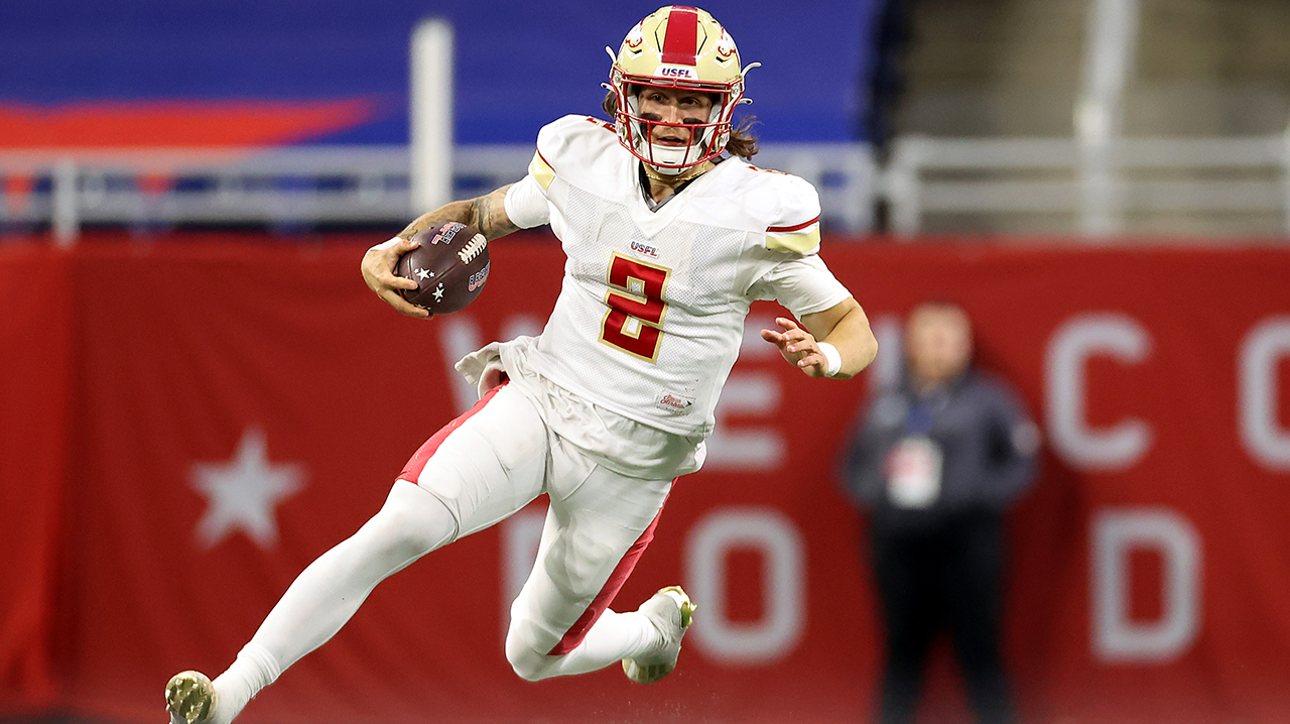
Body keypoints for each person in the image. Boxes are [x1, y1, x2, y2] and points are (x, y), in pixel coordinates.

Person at [164, 7, 879, 724]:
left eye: (689, 100)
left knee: (531, 656)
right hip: (545, 400)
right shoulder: (584, 161)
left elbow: (852, 327)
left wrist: (829, 357)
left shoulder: (757, 209)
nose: (668, 115)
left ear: (722, 109)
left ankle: (650, 629)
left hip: (635, 460)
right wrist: (391, 245)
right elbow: (478, 216)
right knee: (402, 524)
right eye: (655, 96)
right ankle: (234, 688)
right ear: (622, 96)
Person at [838, 301, 1038, 724]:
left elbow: (1022, 463)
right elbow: (852, 465)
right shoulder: (887, 402)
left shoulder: (989, 399)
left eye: (950, 338)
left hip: (966, 541)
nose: (940, 348)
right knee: (902, 651)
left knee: (979, 651)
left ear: (966, 346)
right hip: (899, 541)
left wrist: (975, 495)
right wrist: (881, 492)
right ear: (911, 345)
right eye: (930, 337)